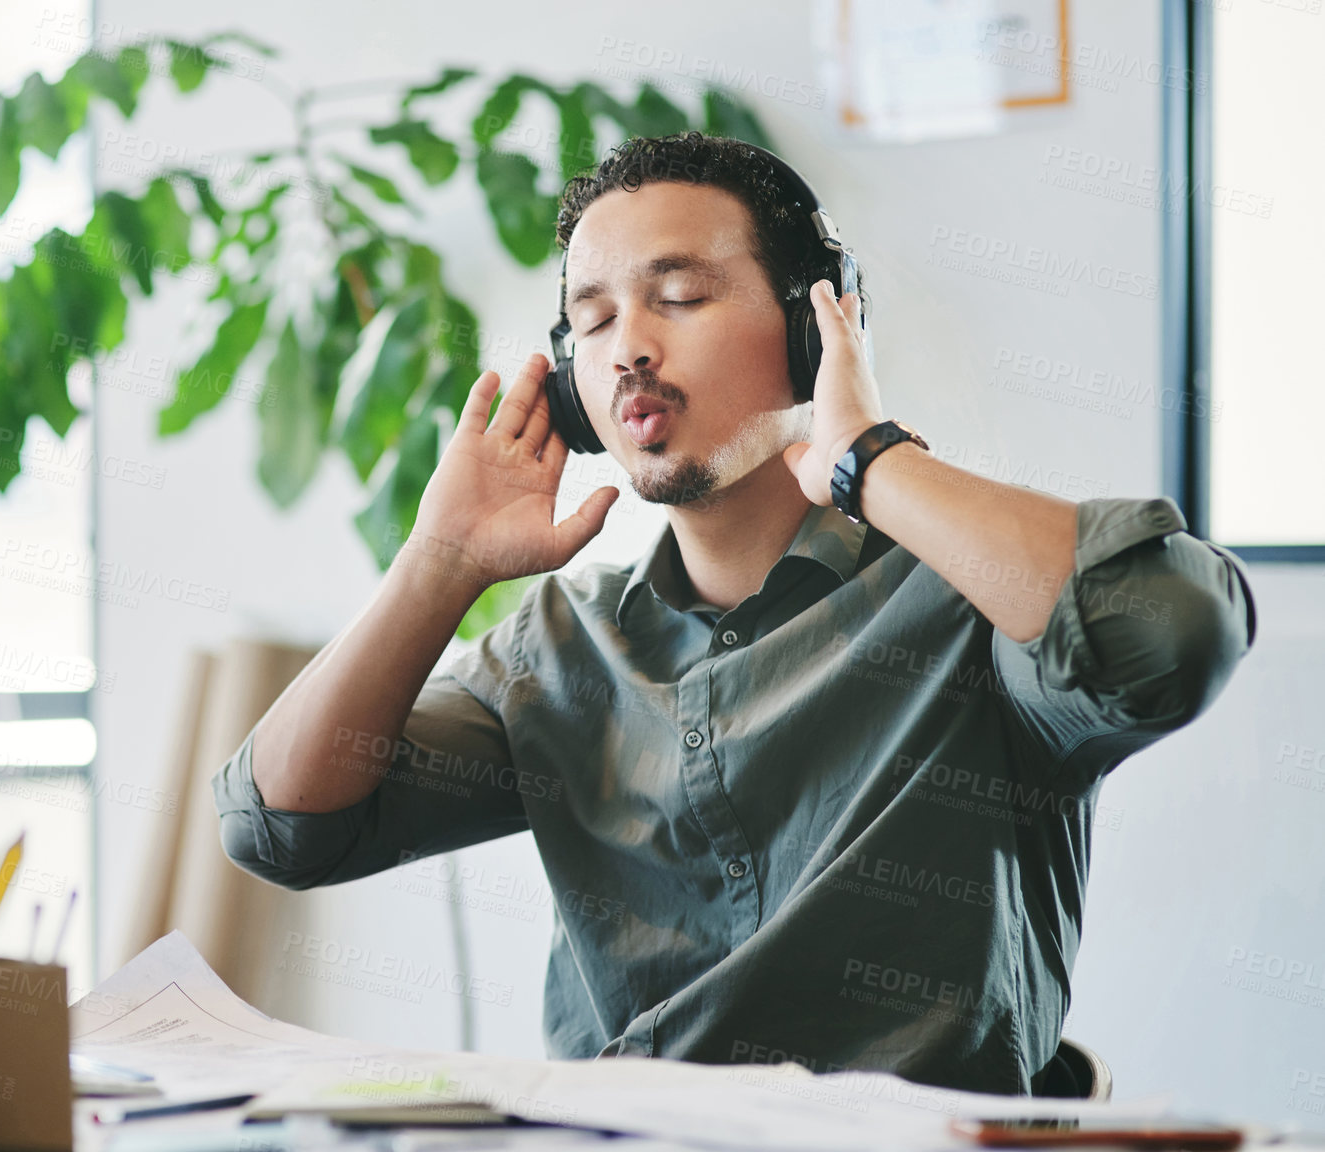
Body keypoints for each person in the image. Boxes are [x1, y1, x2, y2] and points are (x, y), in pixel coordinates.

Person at [211, 131, 1256, 1094]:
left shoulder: (968, 600)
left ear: (814, 327)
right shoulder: (560, 649)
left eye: (677, 295)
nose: (626, 348)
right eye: (592, 318)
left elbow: (1170, 631)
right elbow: (281, 828)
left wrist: (868, 461)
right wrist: (437, 565)